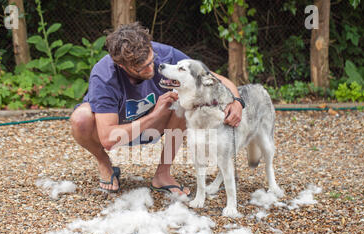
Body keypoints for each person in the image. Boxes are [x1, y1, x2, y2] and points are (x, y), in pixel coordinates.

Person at [70, 22, 243, 195]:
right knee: (80, 119)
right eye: (143, 67)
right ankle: (104, 163)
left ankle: (162, 175)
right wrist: (154, 114)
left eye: (151, 60)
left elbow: (214, 78)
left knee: (187, 101)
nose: (151, 68)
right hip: (118, 131)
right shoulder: (104, 75)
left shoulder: (166, 54)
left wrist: (237, 101)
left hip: (155, 127)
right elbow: (108, 139)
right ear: (123, 66)